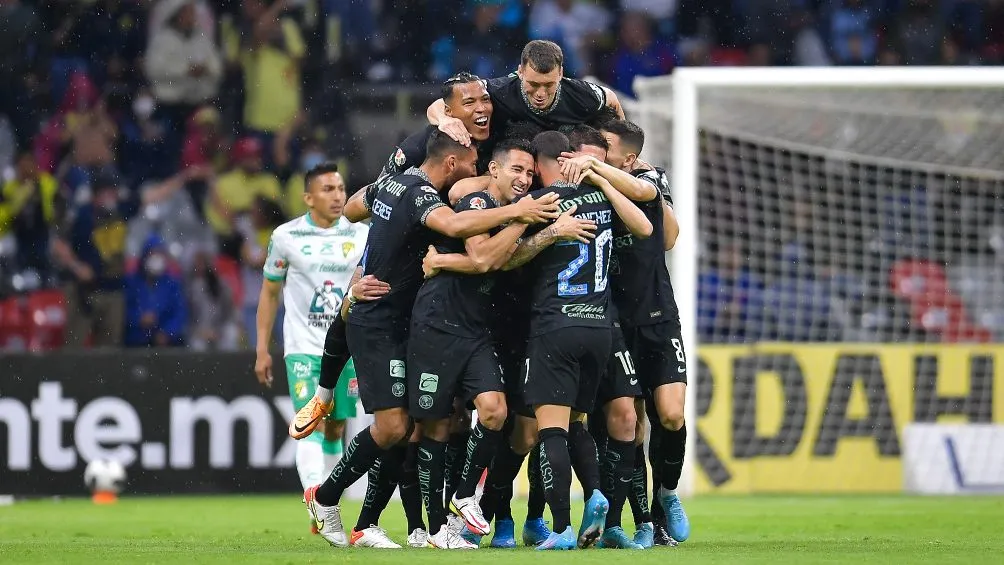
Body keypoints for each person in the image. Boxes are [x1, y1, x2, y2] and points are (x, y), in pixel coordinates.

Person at [299, 131, 562, 549]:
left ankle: (380, 523)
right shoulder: (424, 195)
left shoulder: (391, 181)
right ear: (452, 163)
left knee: (409, 428)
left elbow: (351, 209)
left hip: (402, 315)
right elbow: (459, 228)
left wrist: (370, 265)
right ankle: (327, 496)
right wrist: (521, 212)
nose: (474, 173)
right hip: (380, 319)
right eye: (473, 163)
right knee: (394, 427)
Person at [253, 163, 368, 535]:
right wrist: (262, 349)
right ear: (308, 197)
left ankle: (328, 500)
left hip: (348, 345)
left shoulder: (361, 234)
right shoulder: (286, 237)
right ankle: (317, 502)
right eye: (328, 189)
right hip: (304, 347)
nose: (337, 196)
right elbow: (270, 292)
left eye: (340, 188)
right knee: (311, 424)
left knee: (336, 428)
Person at [599, 118, 689, 546]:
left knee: (670, 414)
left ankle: (667, 493)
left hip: (657, 315)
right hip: (615, 320)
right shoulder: (593, 185)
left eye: (605, 147)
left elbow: (669, 237)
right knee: (629, 422)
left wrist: (650, 185)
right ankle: (642, 520)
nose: (595, 153)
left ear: (629, 158)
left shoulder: (648, 178)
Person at [427, 40, 625, 147]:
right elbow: (438, 104)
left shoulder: (582, 94)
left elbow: (612, 100)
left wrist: (623, 151)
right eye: (533, 84)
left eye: (549, 85)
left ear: (561, 75)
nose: (540, 93)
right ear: (520, 72)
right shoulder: (499, 90)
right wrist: (445, 120)